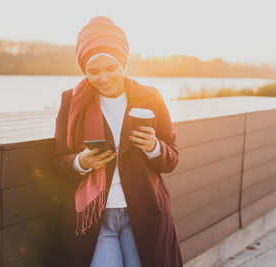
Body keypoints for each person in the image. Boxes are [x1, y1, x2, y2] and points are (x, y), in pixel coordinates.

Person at [54, 16, 183, 267]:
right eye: (93, 71)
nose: (103, 77)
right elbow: (59, 161)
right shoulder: (71, 101)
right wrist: (81, 161)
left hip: (144, 212)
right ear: (84, 70)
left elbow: (172, 159)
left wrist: (154, 147)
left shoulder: (150, 97)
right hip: (94, 218)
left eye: (110, 68)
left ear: (123, 63)